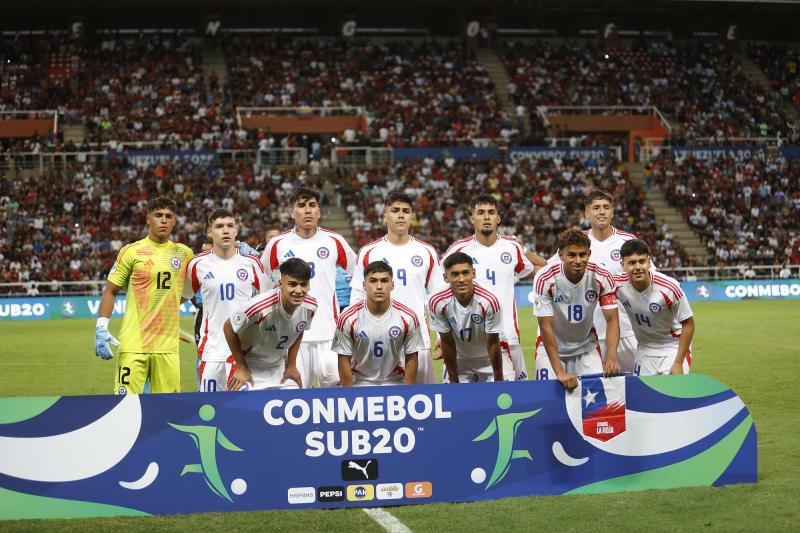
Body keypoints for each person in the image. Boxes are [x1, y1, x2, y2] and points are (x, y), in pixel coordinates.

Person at [94, 196, 194, 395]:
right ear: (148, 218)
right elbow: (110, 290)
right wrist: (101, 327)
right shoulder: (132, 251)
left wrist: (169, 303)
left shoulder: (184, 253)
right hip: (133, 345)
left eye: (169, 216)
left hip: (167, 348)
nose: (164, 220)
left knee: (168, 411)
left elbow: (191, 290)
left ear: (175, 221)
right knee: (124, 407)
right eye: (158, 215)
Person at [261, 187, 357, 388]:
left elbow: (359, 274)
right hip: (291, 337)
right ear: (291, 212)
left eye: (312, 205)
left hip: (330, 335)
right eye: (301, 206)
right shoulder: (278, 244)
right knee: (293, 398)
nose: (307, 210)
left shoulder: (334, 241)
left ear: (319, 211)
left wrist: (352, 313)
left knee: (337, 398)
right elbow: (264, 282)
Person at [444, 194, 543, 381]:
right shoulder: (458, 250)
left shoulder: (511, 247)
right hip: (468, 340)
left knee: (513, 396)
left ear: (499, 218)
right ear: (472, 218)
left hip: (509, 335)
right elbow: (443, 293)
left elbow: (535, 271)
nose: (486, 217)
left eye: (491, 212)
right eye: (480, 213)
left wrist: (525, 250)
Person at [350, 191, 445, 384]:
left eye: (406, 211)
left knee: (422, 401)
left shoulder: (426, 251)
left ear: (412, 217)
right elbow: (357, 298)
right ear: (385, 215)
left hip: (418, 339)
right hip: (377, 339)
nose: (400, 215)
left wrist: (443, 334)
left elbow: (439, 297)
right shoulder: (369, 251)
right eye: (395, 210)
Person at [186, 209, 270, 392]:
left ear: (236, 231)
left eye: (230, 226)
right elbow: (182, 296)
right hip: (211, 352)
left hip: (245, 352)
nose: (225, 230)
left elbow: (269, 301)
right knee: (210, 411)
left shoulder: (252, 264)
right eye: (219, 226)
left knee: (242, 411)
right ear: (209, 232)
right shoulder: (197, 264)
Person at [533, 229, 620, 390]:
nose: (578, 260)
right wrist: (559, 371)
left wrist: (611, 355)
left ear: (589, 253)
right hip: (550, 348)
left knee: (595, 404)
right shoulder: (545, 278)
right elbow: (545, 326)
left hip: (586, 346)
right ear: (561, 255)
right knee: (546, 401)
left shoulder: (602, 276)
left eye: (583, 254)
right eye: (572, 255)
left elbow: (612, 319)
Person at [224, 258, 317, 390]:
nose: (298, 290)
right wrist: (241, 367)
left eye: (303, 284)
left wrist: (291, 365)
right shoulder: (258, 306)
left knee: (294, 403)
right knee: (245, 407)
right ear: (280, 284)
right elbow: (228, 327)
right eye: (292, 284)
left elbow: (299, 329)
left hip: (277, 366)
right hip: (248, 365)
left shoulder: (311, 306)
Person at [580, 189, 644, 373]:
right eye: (596, 208)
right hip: (588, 334)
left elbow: (649, 278)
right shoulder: (578, 242)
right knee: (596, 393)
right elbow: (551, 269)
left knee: (637, 386)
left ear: (612, 212)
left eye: (606, 207)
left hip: (627, 330)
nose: (602, 212)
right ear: (587, 213)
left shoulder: (627, 241)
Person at [334, 261, 422, 386]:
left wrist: (407, 393)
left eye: (384, 281)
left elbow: (412, 358)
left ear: (392, 285)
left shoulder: (408, 317)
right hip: (359, 382)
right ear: (364, 285)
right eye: (373, 281)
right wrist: (349, 396)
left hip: (395, 382)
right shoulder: (348, 317)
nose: (379, 286)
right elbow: (343, 359)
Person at [428, 252, 512, 383]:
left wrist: (499, 379)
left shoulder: (489, 300)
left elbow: (493, 342)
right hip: (460, 359)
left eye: (465, 273)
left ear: (474, 273)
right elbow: (447, 342)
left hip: (490, 359)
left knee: (502, 400)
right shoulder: (437, 301)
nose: (461, 279)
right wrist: (454, 381)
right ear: (445, 277)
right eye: (455, 274)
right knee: (455, 400)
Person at [616, 239, 694, 376]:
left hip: (672, 347)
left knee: (673, 394)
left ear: (649, 262)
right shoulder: (616, 285)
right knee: (644, 396)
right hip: (644, 349)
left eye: (642, 261)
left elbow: (688, 324)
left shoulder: (669, 287)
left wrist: (678, 363)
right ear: (622, 265)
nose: (638, 267)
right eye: (632, 263)